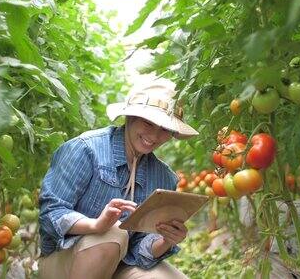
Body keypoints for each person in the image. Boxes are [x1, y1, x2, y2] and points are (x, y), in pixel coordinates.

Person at [38, 77, 199, 278]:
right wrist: (96, 226)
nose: (154, 136)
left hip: (119, 266)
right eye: (148, 123)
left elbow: (140, 251)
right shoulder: (86, 149)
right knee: (114, 233)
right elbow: (51, 213)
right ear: (130, 117)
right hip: (66, 261)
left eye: (165, 129)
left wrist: (166, 240)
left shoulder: (164, 177)